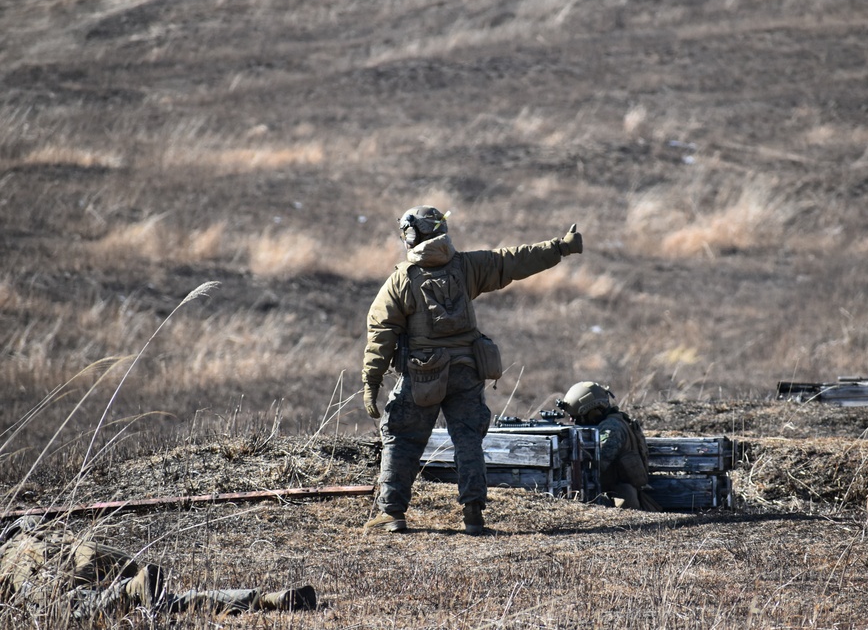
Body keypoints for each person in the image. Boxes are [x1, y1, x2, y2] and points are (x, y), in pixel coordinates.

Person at [362, 206, 583, 535]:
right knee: (468, 442)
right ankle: (473, 516)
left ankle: (392, 514)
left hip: (421, 375)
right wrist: (560, 247)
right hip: (467, 371)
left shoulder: (400, 280)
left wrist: (371, 382)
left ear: (410, 236)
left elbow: (381, 335)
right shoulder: (468, 267)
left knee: (402, 439)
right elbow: (514, 260)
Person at [0, 516, 316, 620]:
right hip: (114, 564)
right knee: (170, 602)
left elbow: (13, 592)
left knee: (60, 605)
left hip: (74, 578)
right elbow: (121, 559)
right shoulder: (66, 533)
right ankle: (268, 599)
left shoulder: (13, 550)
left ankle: (132, 590)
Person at [556, 381, 661, 512]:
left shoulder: (612, 428)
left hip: (621, 500)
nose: (572, 420)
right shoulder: (616, 421)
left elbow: (597, 464)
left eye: (577, 416)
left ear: (594, 411)